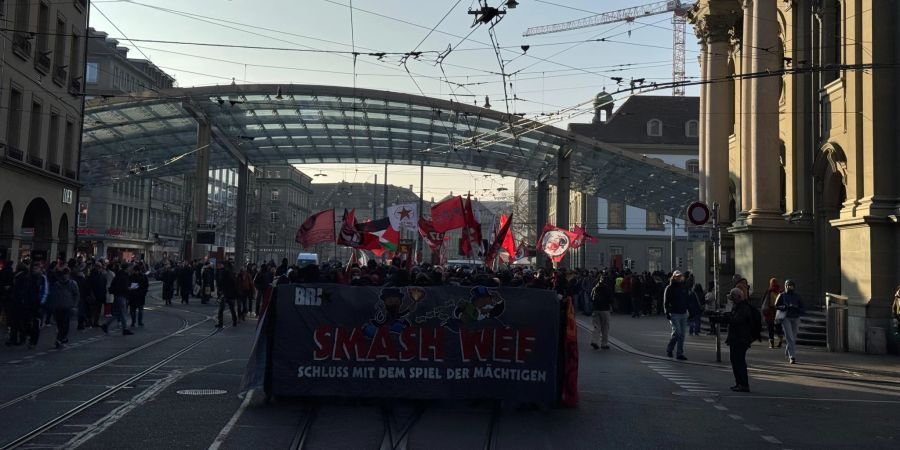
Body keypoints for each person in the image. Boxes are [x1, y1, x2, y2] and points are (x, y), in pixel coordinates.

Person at [726, 283, 760, 392]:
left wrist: (727, 319)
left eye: (733, 297)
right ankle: (739, 383)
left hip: (741, 339)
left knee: (739, 361)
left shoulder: (744, 308)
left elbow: (737, 321)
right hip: (737, 338)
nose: (731, 299)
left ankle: (743, 384)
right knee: (735, 361)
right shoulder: (738, 306)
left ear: (739, 297)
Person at [774, 279, 804, 364]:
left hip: (796, 318)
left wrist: (796, 308)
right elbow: (776, 306)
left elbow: (803, 307)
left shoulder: (797, 296)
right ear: (785, 286)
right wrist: (784, 307)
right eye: (788, 285)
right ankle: (792, 357)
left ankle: (788, 351)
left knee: (793, 337)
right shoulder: (782, 295)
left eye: (791, 285)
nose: (790, 287)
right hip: (786, 317)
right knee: (789, 337)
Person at [48, 268, 79, 348]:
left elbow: (76, 294)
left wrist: (74, 305)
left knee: (65, 323)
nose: (65, 276)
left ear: (69, 275)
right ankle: (63, 338)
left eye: (66, 274)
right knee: (59, 323)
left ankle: (59, 338)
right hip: (58, 307)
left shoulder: (72, 284)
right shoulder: (57, 284)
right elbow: (53, 295)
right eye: (64, 274)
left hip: (68, 307)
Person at [664, 270, 689, 360]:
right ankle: (669, 349)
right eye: (677, 276)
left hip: (683, 313)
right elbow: (666, 302)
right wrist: (667, 312)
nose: (679, 278)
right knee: (678, 333)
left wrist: (688, 310)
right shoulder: (669, 288)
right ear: (673, 277)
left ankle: (679, 353)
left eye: (680, 276)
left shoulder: (683, 287)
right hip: (674, 313)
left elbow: (686, 300)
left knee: (681, 334)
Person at [102, 264, 134, 336]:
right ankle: (125, 329)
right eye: (130, 268)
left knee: (118, 313)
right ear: (127, 268)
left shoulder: (118, 275)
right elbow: (124, 287)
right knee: (123, 313)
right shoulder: (124, 276)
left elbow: (114, 285)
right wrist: (130, 289)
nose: (130, 269)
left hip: (116, 296)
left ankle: (106, 325)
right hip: (121, 296)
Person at [590, 274, 613, 350]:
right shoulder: (607, 288)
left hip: (596, 309)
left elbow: (591, 298)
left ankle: (594, 341)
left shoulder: (595, 288)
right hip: (605, 309)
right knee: (605, 327)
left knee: (596, 326)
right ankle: (604, 343)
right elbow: (610, 299)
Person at [760, 278, 784, 349]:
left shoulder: (768, 291)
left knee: (770, 328)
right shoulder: (780, 291)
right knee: (778, 327)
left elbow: (763, 301)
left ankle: (772, 344)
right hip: (778, 312)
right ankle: (780, 342)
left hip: (770, 312)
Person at [216, 262, 239, 328]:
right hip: (231, 294)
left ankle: (220, 323)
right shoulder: (233, 273)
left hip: (225, 293)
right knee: (232, 309)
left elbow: (221, 282)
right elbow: (235, 284)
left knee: (221, 309)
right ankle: (234, 321)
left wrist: (219, 291)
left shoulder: (224, 272)